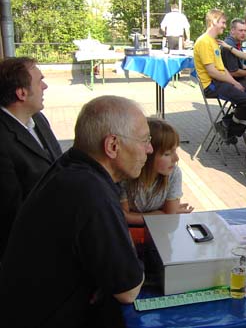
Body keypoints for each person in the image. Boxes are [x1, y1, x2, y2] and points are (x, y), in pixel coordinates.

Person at [0, 96, 151, 328]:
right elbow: (127, 289)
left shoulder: (71, 166)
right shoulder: (91, 191)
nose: (149, 149)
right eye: (144, 140)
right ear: (112, 146)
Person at [0, 57, 62, 260]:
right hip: (31, 249)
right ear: (22, 93)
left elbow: (58, 163)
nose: (45, 86)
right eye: (39, 81)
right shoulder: (3, 140)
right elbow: (12, 212)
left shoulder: (37, 118)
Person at [194, 9, 246, 144]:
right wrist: (234, 83)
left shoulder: (214, 42)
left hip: (221, 82)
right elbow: (213, 72)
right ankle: (228, 128)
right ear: (213, 22)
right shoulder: (204, 42)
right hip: (212, 85)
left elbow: (222, 69)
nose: (224, 26)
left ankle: (226, 125)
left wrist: (234, 83)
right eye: (223, 22)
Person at [121, 117, 193, 226]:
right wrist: (163, 214)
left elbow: (170, 217)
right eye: (167, 154)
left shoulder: (173, 174)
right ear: (148, 154)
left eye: (175, 151)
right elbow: (123, 218)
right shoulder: (125, 176)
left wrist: (133, 216)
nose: (176, 158)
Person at [221, 18, 246, 93]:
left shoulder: (236, 43)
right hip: (232, 81)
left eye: (245, 31)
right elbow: (234, 72)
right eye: (240, 30)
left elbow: (239, 64)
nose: (243, 33)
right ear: (232, 31)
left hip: (239, 79)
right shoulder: (228, 45)